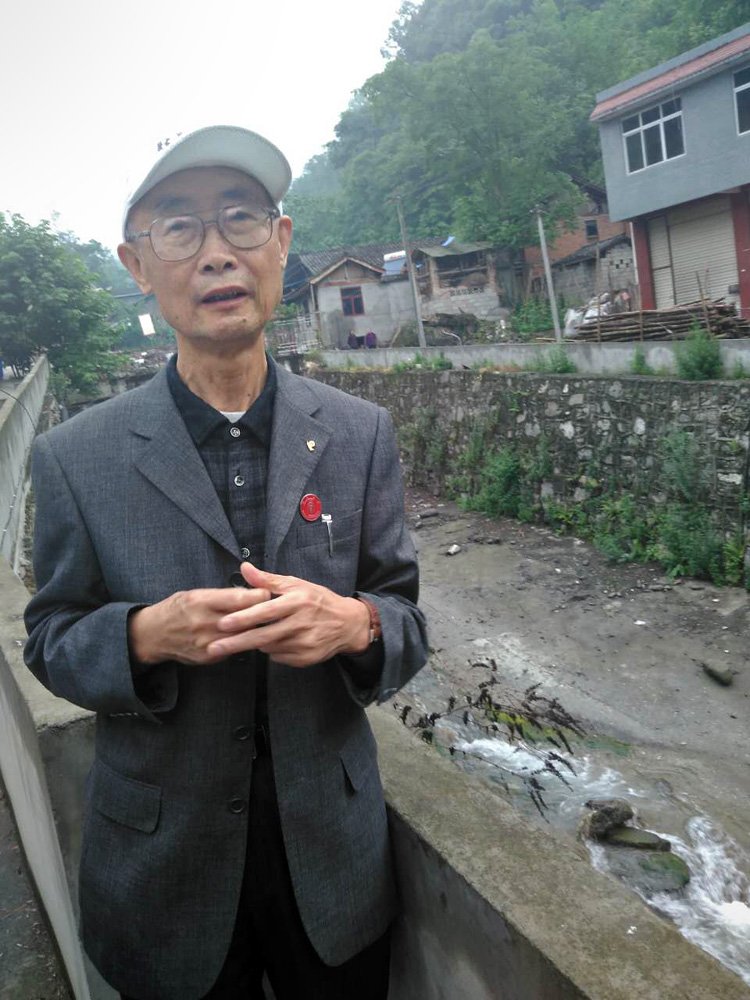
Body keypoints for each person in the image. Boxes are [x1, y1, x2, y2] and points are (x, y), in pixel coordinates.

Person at [24, 125, 428, 1000]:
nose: (216, 254)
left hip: (334, 864)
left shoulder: (359, 434)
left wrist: (354, 623)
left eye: (240, 219)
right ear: (137, 265)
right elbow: (49, 639)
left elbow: (405, 617)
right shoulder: (74, 458)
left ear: (280, 243)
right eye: (180, 227)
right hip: (161, 873)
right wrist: (142, 636)